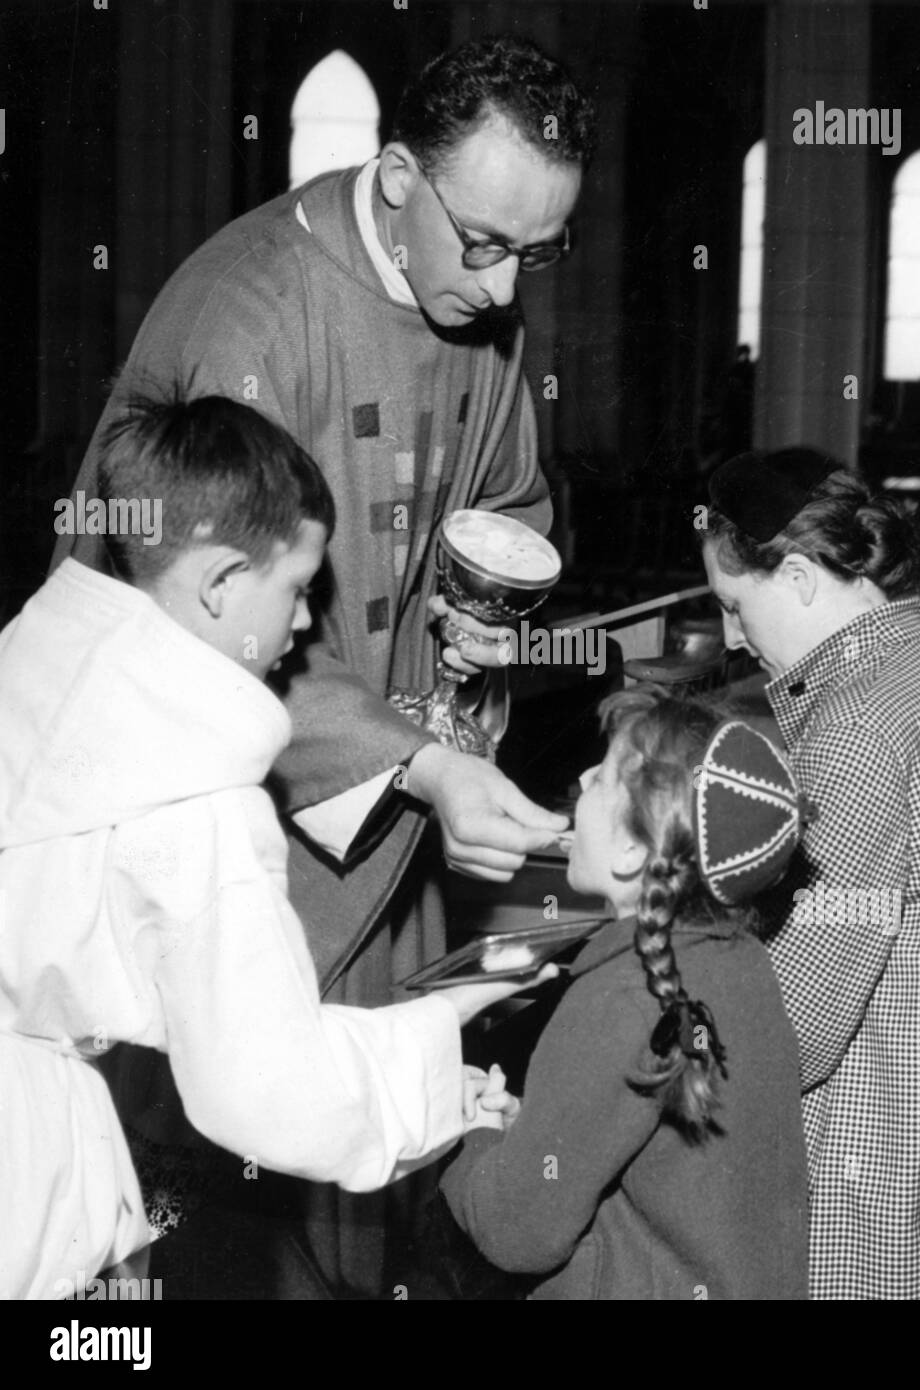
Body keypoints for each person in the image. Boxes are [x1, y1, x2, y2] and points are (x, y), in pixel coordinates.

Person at [50, 35, 593, 1291]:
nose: (510, 295)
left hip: (393, 819)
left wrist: (491, 619)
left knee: (364, 1176)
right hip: (235, 811)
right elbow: (196, 633)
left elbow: (513, 499)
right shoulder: (248, 312)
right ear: (396, 173)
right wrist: (419, 765)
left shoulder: (479, 301)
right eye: (489, 244)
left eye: (541, 252)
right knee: (225, 1175)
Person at [0, 395, 553, 1300]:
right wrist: (441, 1090)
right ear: (220, 584)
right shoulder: (195, 795)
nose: (302, 627)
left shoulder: (36, 658)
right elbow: (268, 1089)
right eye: (296, 589)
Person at [701, 448, 920, 1300]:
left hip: (876, 1170)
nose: (731, 638)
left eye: (733, 606)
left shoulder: (853, 730)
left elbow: (793, 1030)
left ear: (797, 576)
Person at [441, 687, 809, 1300]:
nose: (583, 776)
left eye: (604, 776)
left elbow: (516, 1230)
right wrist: (531, 1135)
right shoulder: (740, 962)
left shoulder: (620, 996)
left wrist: (473, 1136)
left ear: (633, 849)